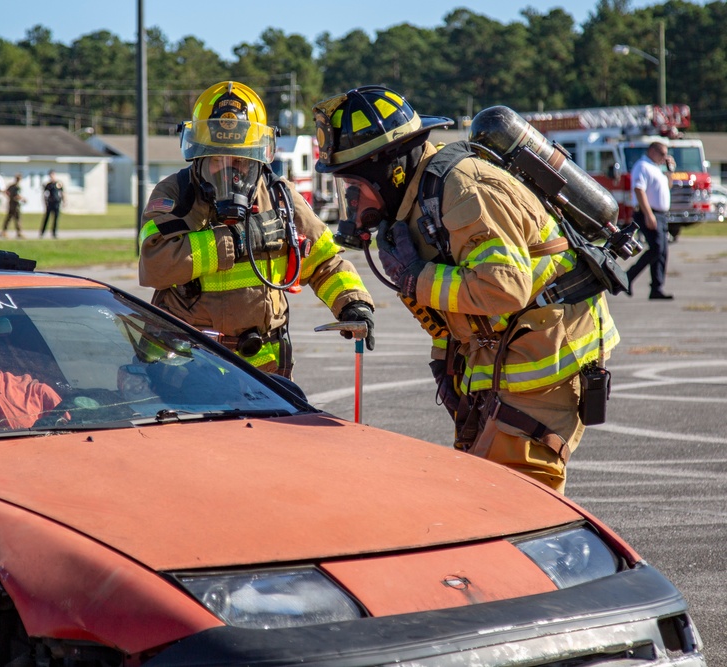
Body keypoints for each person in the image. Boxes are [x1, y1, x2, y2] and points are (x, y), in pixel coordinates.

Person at [313, 85, 620, 493]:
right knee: (481, 490)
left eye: (354, 186)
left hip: (546, 363)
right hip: (503, 360)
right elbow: (457, 300)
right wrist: (447, 359)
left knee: (520, 500)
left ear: (388, 170)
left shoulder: (461, 188)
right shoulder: (419, 205)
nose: (350, 201)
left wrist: (416, 278)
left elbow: (504, 287)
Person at [138, 81, 375, 378]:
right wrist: (237, 241)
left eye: (240, 160)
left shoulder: (280, 197)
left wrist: (352, 303)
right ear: (198, 155)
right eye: (217, 159)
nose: (230, 170)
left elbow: (325, 261)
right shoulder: (177, 193)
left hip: (262, 364)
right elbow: (154, 264)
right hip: (186, 362)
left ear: (258, 158)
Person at [626, 141, 675, 299]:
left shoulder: (657, 168)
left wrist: (670, 171)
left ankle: (657, 288)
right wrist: (648, 215)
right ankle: (628, 277)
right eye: (662, 154)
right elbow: (639, 190)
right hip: (648, 213)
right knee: (657, 248)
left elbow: (667, 187)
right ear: (652, 151)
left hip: (660, 214)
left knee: (662, 251)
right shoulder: (642, 166)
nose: (665, 157)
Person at [41, 170, 64, 238]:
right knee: (46, 218)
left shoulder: (58, 183)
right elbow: (45, 194)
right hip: (50, 203)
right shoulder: (48, 185)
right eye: (50, 175)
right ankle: (42, 232)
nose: (52, 176)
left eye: (53, 175)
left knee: (56, 219)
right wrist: (45, 202)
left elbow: (62, 192)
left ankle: (54, 233)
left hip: (56, 203)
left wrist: (64, 201)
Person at [2, 173, 26, 239]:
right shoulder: (17, 187)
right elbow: (17, 195)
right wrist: (23, 199)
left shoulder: (11, 186)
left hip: (11, 203)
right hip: (16, 204)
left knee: (9, 218)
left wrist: (9, 197)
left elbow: (6, 191)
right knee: (17, 218)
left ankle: (4, 231)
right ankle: (19, 232)